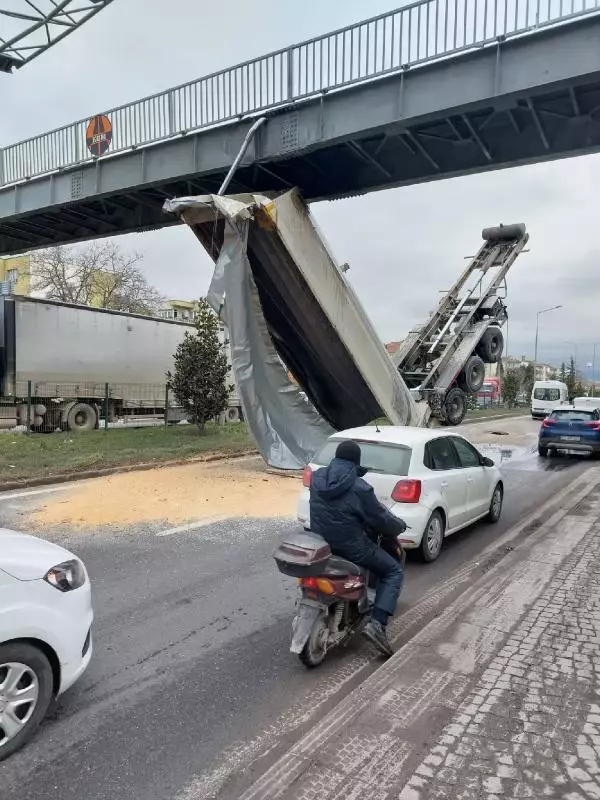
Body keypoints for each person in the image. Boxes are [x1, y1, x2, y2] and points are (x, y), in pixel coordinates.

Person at [309, 440, 406, 657]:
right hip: (352, 548)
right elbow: (380, 518)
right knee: (393, 571)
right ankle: (378, 624)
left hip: (321, 543)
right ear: (356, 462)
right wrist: (398, 526)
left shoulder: (317, 478)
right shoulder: (360, 488)